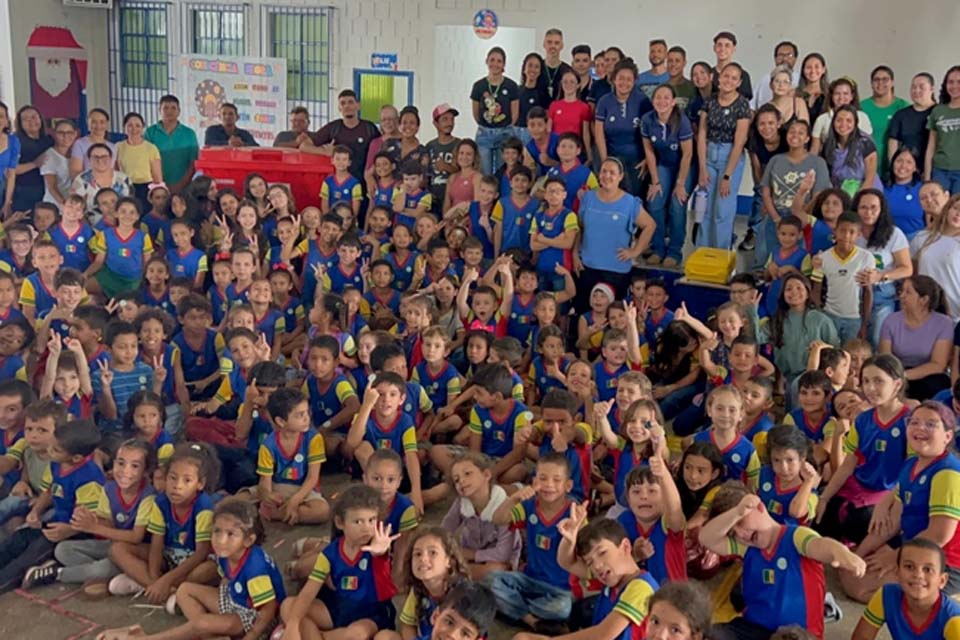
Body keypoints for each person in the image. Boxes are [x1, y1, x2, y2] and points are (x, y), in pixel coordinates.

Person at [700, 481, 866, 640]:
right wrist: (736, 513)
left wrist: (841, 552)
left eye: (741, 522)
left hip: (795, 634)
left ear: (759, 506)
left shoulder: (795, 536)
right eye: (733, 533)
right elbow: (706, 537)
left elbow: (821, 545)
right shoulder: (747, 547)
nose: (741, 534)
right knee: (705, 635)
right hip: (753, 627)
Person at [841, 401, 960, 602]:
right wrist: (857, 557)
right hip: (914, 545)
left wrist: (896, 556)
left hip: (947, 561)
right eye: (914, 422)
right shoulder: (911, 464)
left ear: (948, 436)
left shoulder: (948, 472)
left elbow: (940, 535)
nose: (920, 428)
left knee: (860, 589)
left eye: (931, 424)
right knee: (851, 571)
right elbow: (893, 522)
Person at [575, 157, 655, 308]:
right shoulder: (588, 198)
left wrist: (635, 251)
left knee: (615, 317)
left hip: (616, 270)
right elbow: (579, 228)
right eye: (604, 171)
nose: (607, 176)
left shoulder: (630, 202)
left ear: (620, 176)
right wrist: (574, 255)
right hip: (588, 266)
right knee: (585, 313)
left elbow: (650, 225)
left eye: (612, 172)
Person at [852, 538, 960, 640]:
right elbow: (861, 637)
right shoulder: (886, 596)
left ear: (942, 580)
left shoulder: (953, 619)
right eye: (909, 567)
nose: (918, 575)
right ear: (897, 573)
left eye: (927, 569)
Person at [696, 63, 751, 249]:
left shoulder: (742, 105)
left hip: (730, 157)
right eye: (726, 76)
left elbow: (740, 141)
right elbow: (702, 134)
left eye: (734, 78)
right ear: (719, 77)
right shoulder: (710, 102)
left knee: (722, 210)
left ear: (739, 82)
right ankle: (701, 252)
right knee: (704, 209)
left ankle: (720, 254)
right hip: (709, 155)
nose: (729, 81)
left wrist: (728, 175)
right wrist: (702, 168)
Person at [640, 84, 694, 267]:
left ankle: (674, 251)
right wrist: (655, 181)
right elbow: (649, 152)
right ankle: (658, 248)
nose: (661, 101)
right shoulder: (647, 120)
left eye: (666, 98)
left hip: (684, 166)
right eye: (658, 97)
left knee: (677, 205)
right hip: (662, 163)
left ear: (672, 102)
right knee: (654, 201)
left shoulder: (682, 121)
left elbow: (687, 154)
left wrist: (680, 184)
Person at [853, 189, 913, 346]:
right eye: (863, 207)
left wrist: (880, 276)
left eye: (874, 207)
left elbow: (907, 268)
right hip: (852, 294)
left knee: (877, 340)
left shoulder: (893, 233)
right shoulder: (850, 232)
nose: (868, 212)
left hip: (882, 294)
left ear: (881, 210)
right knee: (854, 341)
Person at [879, 275, 952, 399]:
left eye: (908, 292)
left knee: (938, 385)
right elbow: (886, 359)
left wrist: (905, 375)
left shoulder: (944, 323)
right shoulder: (890, 321)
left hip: (928, 374)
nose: (901, 296)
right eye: (901, 291)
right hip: (897, 372)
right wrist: (898, 377)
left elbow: (938, 364)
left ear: (924, 300)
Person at [594, 58, 652, 195]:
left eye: (628, 79)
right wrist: (605, 161)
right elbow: (599, 133)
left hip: (637, 160)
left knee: (635, 198)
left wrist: (647, 159)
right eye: (621, 78)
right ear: (614, 79)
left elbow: (651, 131)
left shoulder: (643, 101)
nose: (624, 83)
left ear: (634, 81)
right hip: (612, 156)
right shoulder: (604, 101)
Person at [303, 90, 381, 181]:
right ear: (339, 108)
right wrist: (324, 151)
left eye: (350, 102)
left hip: (365, 183)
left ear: (358, 106)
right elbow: (304, 146)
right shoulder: (333, 128)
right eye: (343, 103)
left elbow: (381, 151)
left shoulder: (369, 128)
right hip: (338, 184)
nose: (347, 106)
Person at [471, 46, 519, 175]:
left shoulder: (511, 86)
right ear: (486, 61)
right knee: (484, 172)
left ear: (504, 64)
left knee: (502, 172)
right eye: (492, 60)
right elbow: (476, 113)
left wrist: (504, 127)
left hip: (504, 134)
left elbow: (514, 113)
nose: (495, 64)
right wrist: (486, 123)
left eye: (499, 61)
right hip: (484, 134)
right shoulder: (479, 86)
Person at [911, 193, 960, 317]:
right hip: (923, 307)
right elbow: (913, 272)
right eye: (956, 208)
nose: (958, 214)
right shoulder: (922, 237)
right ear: (948, 208)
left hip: (954, 310)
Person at [144, 95, 199, 193]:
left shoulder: (189, 134)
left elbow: (193, 163)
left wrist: (181, 184)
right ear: (159, 110)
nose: (169, 111)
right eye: (165, 108)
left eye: (173, 108)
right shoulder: (150, 132)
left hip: (184, 187)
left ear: (179, 111)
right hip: (156, 187)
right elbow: (146, 162)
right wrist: (159, 184)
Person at [862, 66, 911, 177]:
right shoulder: (862, 107)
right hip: (868, 163)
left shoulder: (903, 107)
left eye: (885, 79)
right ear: (871, 83)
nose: (880, 83)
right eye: (876, 80)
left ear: (892, 82)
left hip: (897, 166)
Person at [822, 105, 881, 196]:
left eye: (849, 121)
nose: (843, 124)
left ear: (855, 123)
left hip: (866, 190)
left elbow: (870, 176)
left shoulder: (865, 142)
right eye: (839, 120)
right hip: (841, 192)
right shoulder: (828, 145)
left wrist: (861, 195)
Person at [888, 72, 937, 176]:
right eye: (913, 87)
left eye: (921, 87)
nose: (916, 90)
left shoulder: (939, 112)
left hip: (936, 170)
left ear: (931, 89)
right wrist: (895, 169)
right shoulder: (901, 115)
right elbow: (893, 144)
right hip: (906, 172)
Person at [810, 78, 873, 156]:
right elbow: (814, 150)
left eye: (845, 93)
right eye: (837, 94)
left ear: (852, 96)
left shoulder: (862, 117)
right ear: (832, 96)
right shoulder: (822, 119)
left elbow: (869, 150)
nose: (841, 97)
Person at [116, 112, 162, 208]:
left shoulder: (151, 148)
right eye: (130, 126)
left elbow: (157, 176)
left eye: (138, 126)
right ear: (124, 128)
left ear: (142, 128)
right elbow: (115, 171)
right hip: (125, 188)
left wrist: (158, 193)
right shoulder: (118, 147)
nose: (134, 129)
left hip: (145, 189)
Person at [925, 66, 960, 192]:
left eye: (959, 82)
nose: (954, 86)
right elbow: (931, 146)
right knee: (938, 209)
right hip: (940, 170)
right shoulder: (938, 111)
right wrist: (928, 176)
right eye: (950, 82)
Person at [12, 105, 53, 213]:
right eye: (26, 119)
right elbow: (11, 169)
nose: (31, 121)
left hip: (47, 189)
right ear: (20, 123)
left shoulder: (48, 140)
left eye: (34, 117)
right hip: (24, 191)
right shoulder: (15, 142)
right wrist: (35, 164)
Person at [70, 144, 132, 211]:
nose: (100, 160)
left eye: (104, 156)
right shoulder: (80, 181)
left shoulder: (124, 179)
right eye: (95, 157)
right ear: (89, 160)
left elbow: (131, 205)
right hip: (90, 220)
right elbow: (74, 208)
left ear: (111, 159)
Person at [425, 104, 460, 215]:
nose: (449, 123)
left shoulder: (459, 145)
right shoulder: (429, 146)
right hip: (433, 199)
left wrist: (446, 167)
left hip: (454, 199)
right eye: (445, 119)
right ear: (436, 123)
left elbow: (467, 173)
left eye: (452, 119)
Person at [885, 147, 925, 239]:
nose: (903, 166)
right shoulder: (881, 187)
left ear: (915, 168)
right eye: (899, 161)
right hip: (888, 237)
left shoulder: (922, 189)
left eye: (909, 162)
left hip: (916, 238)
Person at [752, 41, 801, 109]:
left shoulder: (800, 80)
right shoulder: (764, 80)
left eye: (789, 55)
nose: (785, 59)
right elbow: (752, 106)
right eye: (780, 55)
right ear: (775, 58)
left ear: (795, 59)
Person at [69, 109, 116, 179]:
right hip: (87, 187)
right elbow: (75, 173)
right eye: (94, 122)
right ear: (88, 122)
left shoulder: (112, 147)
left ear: (107, 124)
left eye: (102, 122)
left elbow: (112, 171)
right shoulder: (80, 144)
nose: (98, 125)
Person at [41, 118, 77, 206]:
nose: (65, 136)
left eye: (69, 132)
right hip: (55, 205)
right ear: (54, 134)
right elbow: (52, 188)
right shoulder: (49, 156)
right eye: (61, 133)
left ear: (75, 134)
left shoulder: (76, 153)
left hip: (73, 203)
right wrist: (66, 205)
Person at [711, 32, 752, 101]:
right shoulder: (708, 74)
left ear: (733, 49)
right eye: (719, 45)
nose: (722, 49)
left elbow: (745, 101)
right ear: (714, 48)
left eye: (727, 45)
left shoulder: (743, 75)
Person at [540, 28, 573, 101]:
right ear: (544, 44)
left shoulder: (568, 70)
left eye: (556, 43)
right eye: (549, 42)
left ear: (562, 46)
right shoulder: (537, 67)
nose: (553, 46)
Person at [798, 53, 830, 125]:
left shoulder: (830, 93)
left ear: (823, 70)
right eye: (808, 67)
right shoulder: (794, 94)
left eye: (817, 67)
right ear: (803, 70)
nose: (812, 71)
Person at [0, 102, 18, 219]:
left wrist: (7, 202)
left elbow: (11, 174)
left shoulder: (13, 141)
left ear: (7, 120)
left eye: (1, 116)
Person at [665, 46, 696, 112]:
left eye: (677, 61)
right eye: (670, 61)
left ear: (684, 63)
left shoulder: (693, 87)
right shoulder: (661, 89)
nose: (673, 64)